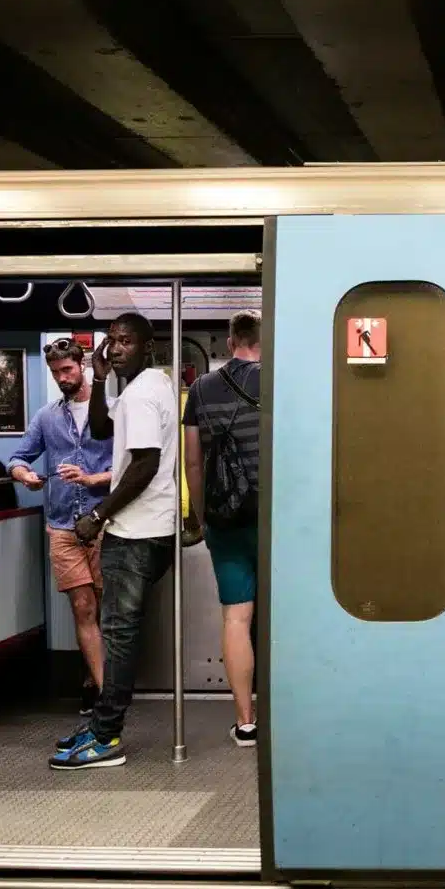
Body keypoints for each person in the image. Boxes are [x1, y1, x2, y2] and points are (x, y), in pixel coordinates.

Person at [51, 313, 180, 771]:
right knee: (116, 632)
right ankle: (103, 723)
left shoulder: (144, 393)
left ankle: (106, 737)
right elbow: (104, 431)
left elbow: (143, 465)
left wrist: (98, 513)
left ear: (147, 346)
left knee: (119, 636)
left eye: (127, 341)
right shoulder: (143, 386)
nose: (117, 348)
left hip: (136, 530)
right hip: (146, 527)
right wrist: (102, 381)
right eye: (113, 341)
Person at [8, 338, 115, 715]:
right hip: (63, 526)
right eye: (55, 373)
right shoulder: (46, 417)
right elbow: (18, 458)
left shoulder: (111, 411)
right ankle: (105, 696)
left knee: (102, 609)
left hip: (104, 522)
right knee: (82, 608)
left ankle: (94, 678)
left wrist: (91, 478)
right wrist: (26, 477)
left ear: (82, 364)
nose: (61, 378)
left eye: (67, 370)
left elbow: (130, 470)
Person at [182, 311, 263, 746]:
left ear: (231, 342)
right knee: (284, 615)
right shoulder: (275, 380)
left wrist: (202, 515)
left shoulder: (200, 389)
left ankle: (245, 721)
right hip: (275, 518)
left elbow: (193, 460)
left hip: (225, 517)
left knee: (236, 616)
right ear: (261, 343)